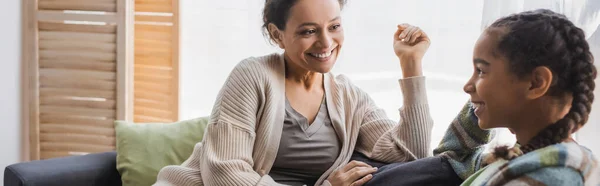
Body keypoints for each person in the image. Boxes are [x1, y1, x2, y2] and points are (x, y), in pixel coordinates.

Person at [153, 0, 436, 185]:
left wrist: (411, 63)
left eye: (334, 27)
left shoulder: (350, 98)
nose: (326, 42)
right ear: (277, 35)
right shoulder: (252, 75)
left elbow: (413, 154)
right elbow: (225, 173)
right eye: (308, 31)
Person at [433, 9, 599, 185]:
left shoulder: (546, 177)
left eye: (481, 71)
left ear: (535, 83)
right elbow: (451, 159)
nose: (467, 87)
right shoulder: (527, 153)